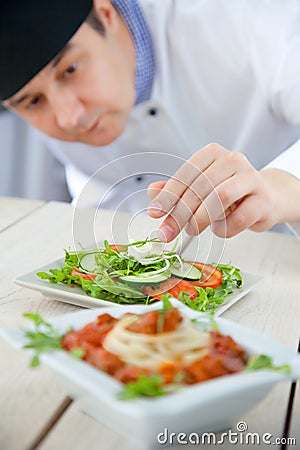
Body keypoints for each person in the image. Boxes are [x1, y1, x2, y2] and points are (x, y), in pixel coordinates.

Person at [1, 0, 300, 242]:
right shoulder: (66, 110)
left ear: (106, 14)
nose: (70, 117)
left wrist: (280, 186)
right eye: (32, 101)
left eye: (70, 69)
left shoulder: (241, 20)